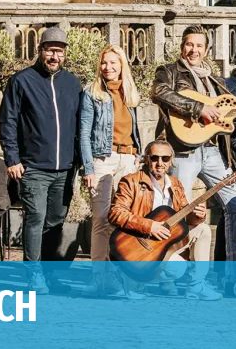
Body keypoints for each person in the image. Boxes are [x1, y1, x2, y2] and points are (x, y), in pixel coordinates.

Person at [151, 25, 236, 283]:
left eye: (199, 46)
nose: (193, 50)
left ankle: (235, 276)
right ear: (182, 46)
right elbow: (159, 92)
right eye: (189, 44)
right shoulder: (169, 71)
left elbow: (234, 115)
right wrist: (198, 108)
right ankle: (173, 273)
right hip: (183, 149)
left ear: (207, 50)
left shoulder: (215, 80)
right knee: (177, 211)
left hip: (213, 151)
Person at [0, 26, 82, 293]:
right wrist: (12, 158)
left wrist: (81, 161)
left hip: (65, 167)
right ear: (40, 51)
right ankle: (33, 274)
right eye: (49, 50)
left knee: (56, 219)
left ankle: (48, 271)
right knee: (36, 217)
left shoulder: (72, 83)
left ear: (65, 54)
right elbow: (7, 121)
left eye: (59, 51)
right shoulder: (22, 81)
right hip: (33, 166)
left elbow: (81, 123)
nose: (54, 56)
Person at [108, 139, 221, 301]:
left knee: (203, 229)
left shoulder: (175, 184)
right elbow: (116, 212)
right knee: (177, 269)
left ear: (171, 161)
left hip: (165, 242)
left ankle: (196, 287)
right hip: (139, 243)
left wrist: (197, 216)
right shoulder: (131, 181)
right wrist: (149, 226)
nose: (159, 163)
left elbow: (184, 218)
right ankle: (132, 278)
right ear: (146, 159)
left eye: (165, 158)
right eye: (154, 158)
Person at [78, 44, 143, 297]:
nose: (108, 67)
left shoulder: (130, 93)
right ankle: (99, 278)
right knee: (102, 219)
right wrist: (88, 168)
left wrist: (138, 155)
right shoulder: (91, 93)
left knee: (125, 220)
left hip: (128, 159)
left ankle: (123, 280)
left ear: (122, 65)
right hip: (102, 159)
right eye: (104, 63)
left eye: (114, 63)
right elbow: (84, 133)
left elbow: (135, 130)